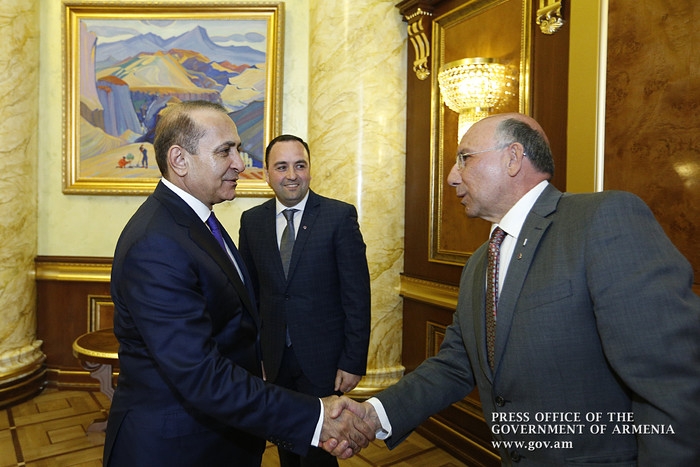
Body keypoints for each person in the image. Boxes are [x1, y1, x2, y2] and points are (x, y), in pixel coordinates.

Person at [331, 113, 700, 465]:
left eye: (464, 159)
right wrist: (372, 415)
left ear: (512, 157)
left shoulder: (601, 219)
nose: (451, 177)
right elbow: (456, 364)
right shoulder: (479, 263)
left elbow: (671, 382)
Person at [104, 100, 373, 467]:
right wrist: (315, 418)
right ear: (180, 160)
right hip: (177, 447)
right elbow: (201, 375)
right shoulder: (156, 243)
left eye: (238, 150)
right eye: (225, 151)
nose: (240, 164)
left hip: (219, 434)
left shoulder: (199, 223)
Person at [239, 134, 371, 467]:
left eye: (300, 165)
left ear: (310, 169)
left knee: (320, 453)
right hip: (274, 360)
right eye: (281, 167)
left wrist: (353, 361)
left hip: (323, 361)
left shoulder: (338, 216)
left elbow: (357, 295)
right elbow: (249, 298)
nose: (292, 175)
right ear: (267, 174)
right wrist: (256, 356)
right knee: (287, 443)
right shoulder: (251, 222)